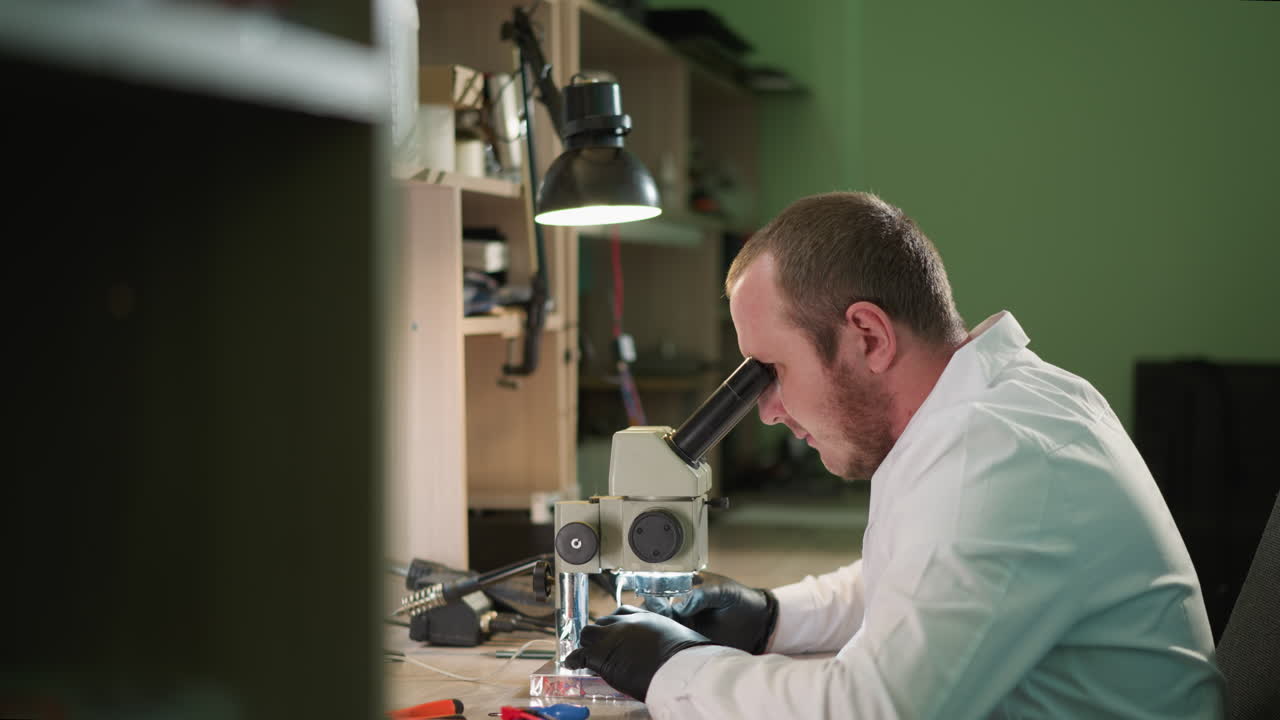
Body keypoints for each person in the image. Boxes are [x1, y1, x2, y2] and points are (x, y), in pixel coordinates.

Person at [563, 192, 1225, 718]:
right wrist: (773, 616)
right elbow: (926, 576)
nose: (766, 409)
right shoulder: (998, 406)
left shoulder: (993, 454)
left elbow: (872, 708)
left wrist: (675, 670)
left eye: (773, 371)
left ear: (868, 336)